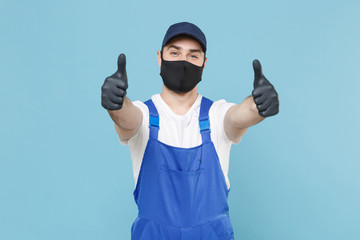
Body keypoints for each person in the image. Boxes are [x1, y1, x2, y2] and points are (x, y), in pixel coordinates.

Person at [101, 22, 279, 240]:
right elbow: (127, 118)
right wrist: (116, 104)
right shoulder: (143, 114)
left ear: (204, 64)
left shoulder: (217, 115)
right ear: (160, 57)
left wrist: (259, 104)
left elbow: (241, 115)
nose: (183, 61)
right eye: (174, 52)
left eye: (193, 56)